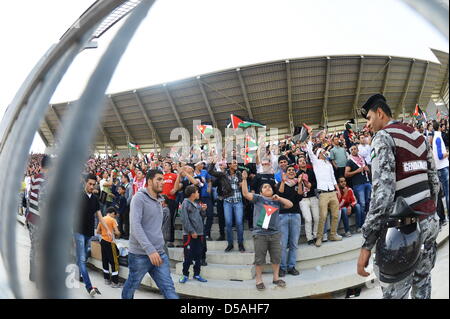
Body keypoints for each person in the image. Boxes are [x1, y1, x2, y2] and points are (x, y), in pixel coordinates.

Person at [357, 94, 440, 299]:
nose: (368, 125)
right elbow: (434, 182)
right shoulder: (418, 136)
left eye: (368, 118)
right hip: (428, 222)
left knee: (396, 293)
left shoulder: (383, 137)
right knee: (422, 283)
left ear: (380, 113)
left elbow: (383, 194)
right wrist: (429, 213)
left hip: (403, 233)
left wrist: (367, 243)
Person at [122, 169, 179, 299]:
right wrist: (150, 250)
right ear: (149, 181)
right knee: (131, 287)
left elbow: (157, 226)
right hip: (139, 255)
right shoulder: (138, 198)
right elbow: (135, 227)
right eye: (159, 179)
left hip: (159, 253)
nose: (163, 182)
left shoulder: (160, 201)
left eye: (163, 179)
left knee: (169, 289)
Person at [241, 170, 293, 291]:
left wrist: (279, 198)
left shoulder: (276, 200)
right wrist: (244, 179)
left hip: (274, 233)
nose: (268, 188)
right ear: (261, 191)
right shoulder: (258, 198)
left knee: (276, 257)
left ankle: (276, 278)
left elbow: (290, 204)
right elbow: (245, 193)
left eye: (269, 186)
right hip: (260, 234)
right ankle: (259, 280)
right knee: (259, 259)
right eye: (265, 187)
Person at [75, 174, 112, 297]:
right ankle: (89, 286)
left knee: (83, 257)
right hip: (78, 231)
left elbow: (100, 216)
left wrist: (107, 229)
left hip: (89, 232)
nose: (91, 186)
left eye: (93, 184)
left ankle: (79, 274)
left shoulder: (95, 199)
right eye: (89, 184)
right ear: (85, 183)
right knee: (82, 259)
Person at [306, 131, 342, 247]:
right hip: (323, 193)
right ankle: (319, 237)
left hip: (332, 191)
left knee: (336, 215)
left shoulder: (329, 164)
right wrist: (310, 136)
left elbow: (333, 178)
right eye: (322, 152)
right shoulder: (316, 162)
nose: (325, 153)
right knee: (323, 216)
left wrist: (338, 190)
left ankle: (332, 234)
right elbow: (309, 151)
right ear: (319, 154)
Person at [208, 159, 245, 253]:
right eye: (234, 163)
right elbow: (210, 171)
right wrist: (212, 162)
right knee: (228, 223)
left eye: (236, 162)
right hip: (227, 201)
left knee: (239, 223)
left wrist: (243, 181)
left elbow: (242, 185)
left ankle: (241, 244)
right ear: (229, 165)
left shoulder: (239, 173)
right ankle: (230, 244)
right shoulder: (223, 174)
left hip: (238, 201)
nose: (236, 164)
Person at [26, 154, 49, 284]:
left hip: (31, 218)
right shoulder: (45, 181)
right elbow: (42, 203)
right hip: (40, 221)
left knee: (34, 248)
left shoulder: (35, 179)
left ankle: (32, 274)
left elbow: (30, 199)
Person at [179, 185, 208, 284]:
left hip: (199, 234)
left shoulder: (196, 204)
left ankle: (197, 274)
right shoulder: (185, 204)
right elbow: (184, 219)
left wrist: (203, 210)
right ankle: (185, 274)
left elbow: (201, 217)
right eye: (197, 192)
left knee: (198, 255)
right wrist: (191, 231)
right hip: (189, 235)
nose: (199, 194)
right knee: (188, 256)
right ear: (192, 194)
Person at [277, 165, 303, 277]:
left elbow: (300, 196)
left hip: (296, 214)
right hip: (283, 216)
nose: (291, 171)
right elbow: (280, 194)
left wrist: (300, 183)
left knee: (294, 243)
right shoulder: (281, 183)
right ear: (285, 172)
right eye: (289, 170)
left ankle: (291, 266)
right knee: (283, 244)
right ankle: (282, 268)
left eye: (293, 170)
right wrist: (283, 181)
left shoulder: (298, 183)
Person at [96, 206, 122, 288]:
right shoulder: (112, 220)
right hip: (110, 242)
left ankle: (106, 279)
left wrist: (104, 233)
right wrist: (117, 233)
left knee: (105, 260)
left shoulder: (102, 219)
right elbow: (117, 232)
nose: (115, 216)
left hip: (103, 241)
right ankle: (115, 282)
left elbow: (97, 231)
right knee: (114, 262)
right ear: (113, 213)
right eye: (115, 215)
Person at [297, 155, 320, 245]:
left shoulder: (311, 171)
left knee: (317, 218)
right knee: (308, 219)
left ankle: (315, 235)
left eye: (303, 160)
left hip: (313, 197)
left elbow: (316, 183)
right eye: (300, 161)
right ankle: (309, 238)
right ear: (298, 164)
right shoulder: (297, 174)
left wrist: (310, 185)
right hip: (303, 199)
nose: (302, 162)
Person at [345, 144, 371, 217]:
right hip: (358, 184)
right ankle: (361, 223)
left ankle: (368, 220)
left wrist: (368, 170)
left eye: (354, 149)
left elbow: (368, 171)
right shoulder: (350, 161)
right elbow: (346, 174)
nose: (353, 150)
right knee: (362, 204)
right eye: (352, 150)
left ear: (357, 150)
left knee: (368, 202)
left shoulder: (362, 159)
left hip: (367, 182)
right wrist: (357, 171)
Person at [432, 120, 449, 214]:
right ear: (439, 127)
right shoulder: (438, 138)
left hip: (441, 167)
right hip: (443, 168)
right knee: (448, 192)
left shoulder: (436, 137)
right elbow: (440, 155)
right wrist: (447, 153)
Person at [162, 162, 179, 247]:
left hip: (171, 200)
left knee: (171, 220)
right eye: (163, 165)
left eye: (165, 165)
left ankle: (171, 240)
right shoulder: (161, 176)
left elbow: (180, 183)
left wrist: (175, 189)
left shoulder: (174, 175)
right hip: (162, 201)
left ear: (170, 167)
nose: (164, 166)